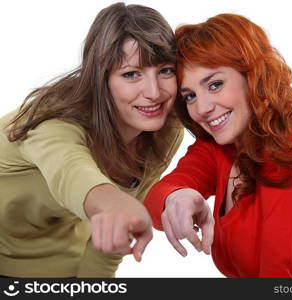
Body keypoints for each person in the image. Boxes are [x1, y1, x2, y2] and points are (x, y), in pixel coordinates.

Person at [144, 13, 292, 277]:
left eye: (215, 84)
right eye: (190, 96)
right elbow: (155, 200)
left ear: (253, 77)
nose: (202, 109)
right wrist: (176, 198)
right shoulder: (223, 144)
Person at [0, 2, 183, 277]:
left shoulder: (164, 129)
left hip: (56, 257)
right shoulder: (55, 121)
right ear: (101, 79)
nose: (154, 92)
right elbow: (71, 171)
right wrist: (114, 204)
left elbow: (112, 237)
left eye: (166, 70)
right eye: (131, 74)